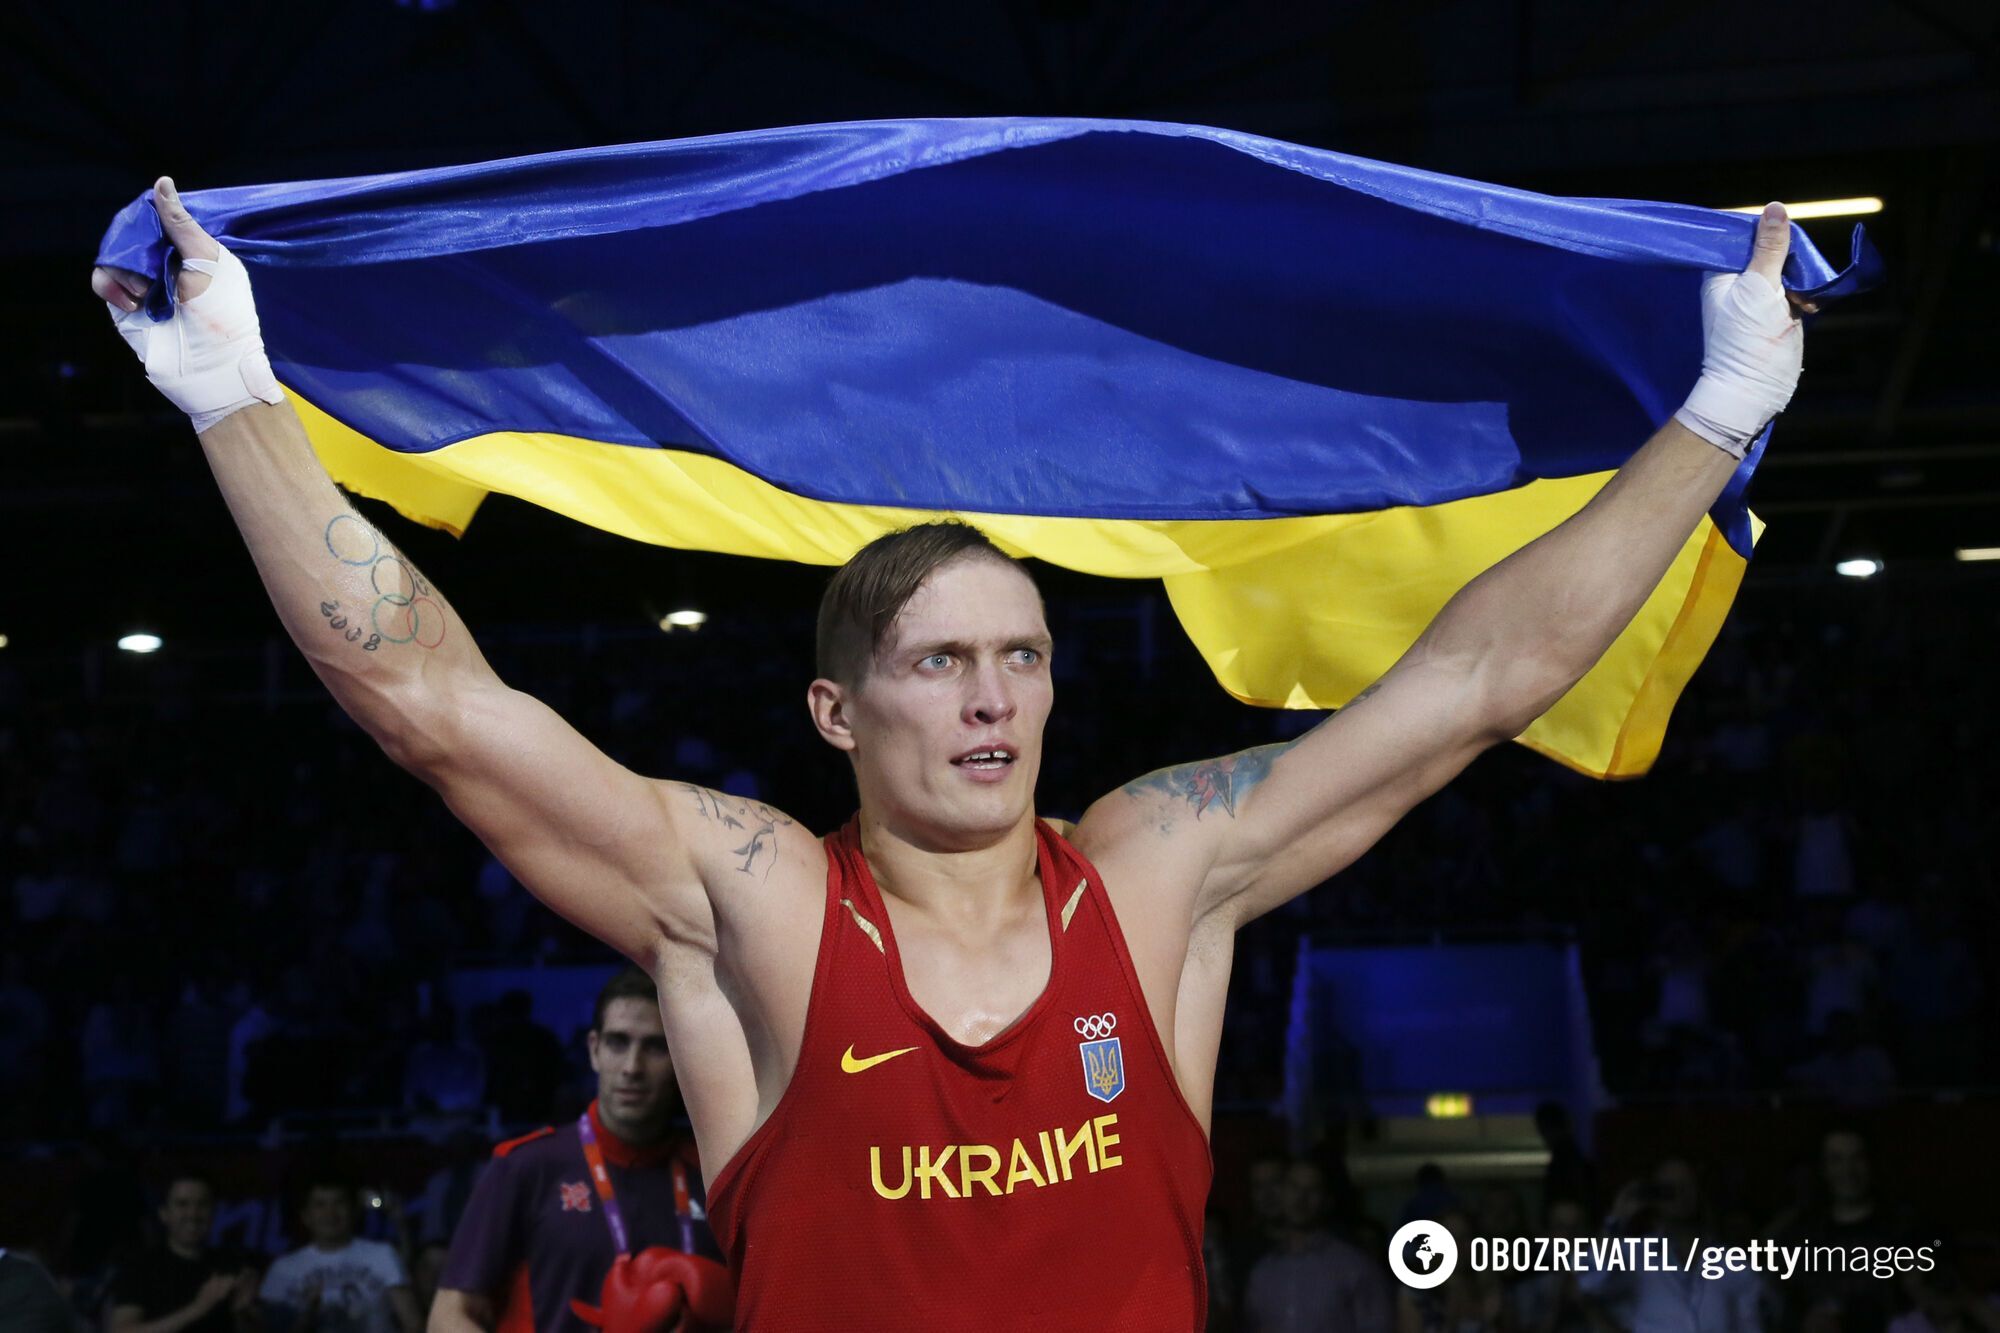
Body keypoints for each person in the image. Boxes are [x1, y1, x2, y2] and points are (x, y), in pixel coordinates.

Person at [93, 177, 1812, 1329]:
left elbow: (1481, 676)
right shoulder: (750, 903)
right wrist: (236, 400)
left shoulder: (1156, 868)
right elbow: (435, 706)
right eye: (939, 663)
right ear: (840, 710)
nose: (993, 697)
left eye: (1023, 657)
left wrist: (1716, 416)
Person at [430, 968, 721, 1333]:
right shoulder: (527, 1166)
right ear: (594, 1051)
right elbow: (450, 1316)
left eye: (656, 1046)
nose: (632, 1067)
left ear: (682, 1058)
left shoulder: (712, 1175)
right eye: (618, 1042)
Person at [1242, 1160, 1391, 1333]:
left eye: (1312, 1190)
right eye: (1294, 1187)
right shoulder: (1263, 1272)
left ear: (1327, 1200)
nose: (1300, 1198)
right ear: (1283, 1193)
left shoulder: (1354, 1267)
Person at [258, 1175, 419, 1333]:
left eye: (339, 1203)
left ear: (354, 1211)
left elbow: (413, 1323)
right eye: (320, 1205)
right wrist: (307, 1317)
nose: (330, 1213)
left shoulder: (383, 1254)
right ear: (305, 1216)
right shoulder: (282, 1269)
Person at [105, 1173, 260, 1333]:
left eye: (202, 1204)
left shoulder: (230, 1264)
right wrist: (198, 1308)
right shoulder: (140, 1267)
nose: (193, 1214)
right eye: (182, 1204)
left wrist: (243, 1310)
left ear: (213, 1212)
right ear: (164, 1213)